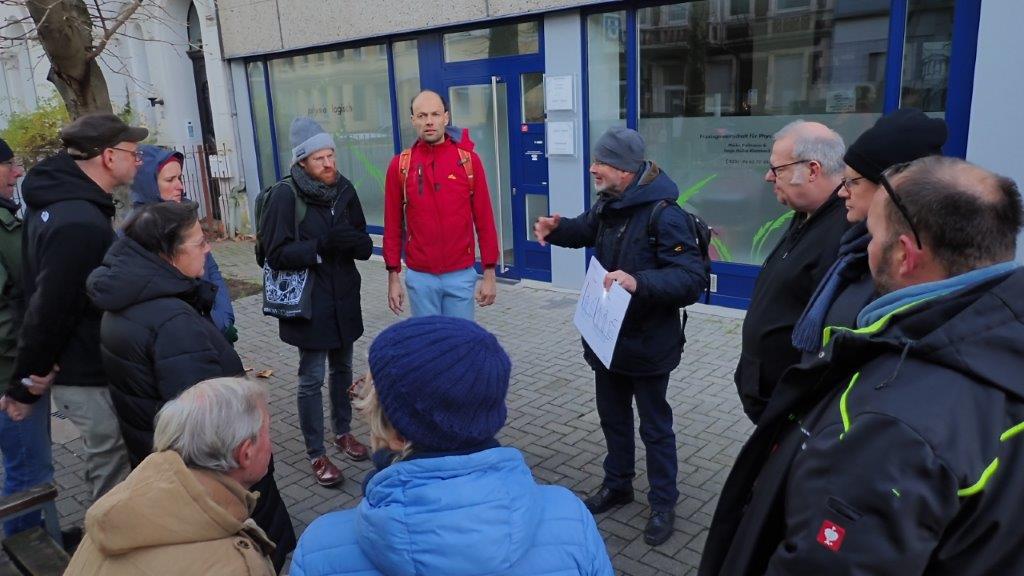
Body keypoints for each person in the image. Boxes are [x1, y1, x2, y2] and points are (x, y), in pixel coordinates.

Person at [700, 156, 1024, 576]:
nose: (866, 247)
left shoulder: (889, 425)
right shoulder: (1002, 343)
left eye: (872, 234)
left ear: (904, 255)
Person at [290, 316, 614, 576]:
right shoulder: (572, 521)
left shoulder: (321, 550)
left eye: (368, 394)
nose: (359, 396)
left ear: (398, 437)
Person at [87, 201, 296, 571]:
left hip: (160, 466)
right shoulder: (173, 324)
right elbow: (214, 431)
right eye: (199, 242)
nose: (209, 248)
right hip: (215, 488)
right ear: (168, 253)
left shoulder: (126, 302)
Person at [533, 127, 708, 546]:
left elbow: (691, 279)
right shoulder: (610, 204)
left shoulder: (665, 215)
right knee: (612, 418)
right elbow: (584, 229)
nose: (592, 168)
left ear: (626, 170)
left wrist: (638, 281)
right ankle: (618, 485)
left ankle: (663, 502)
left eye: (602, 162)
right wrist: (557, 229)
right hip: (606, 339)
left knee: (655, 428)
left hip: (649, 342)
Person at [1, 113, 140, 503]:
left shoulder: (59, 203)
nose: (138, 159)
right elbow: (50, 307)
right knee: (112, 466)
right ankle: (108, 538)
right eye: (133, 152)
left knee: (108, 459)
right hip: (85, 369)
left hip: (81, 362)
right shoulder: (78, 222)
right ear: (108, 156)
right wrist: (26, 382)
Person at [65, 377, 278, 575]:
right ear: (246, 453)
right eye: (267, 431)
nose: (271, 443)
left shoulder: (126, 498)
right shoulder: (235, 566)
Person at [259, 117, 371, 486]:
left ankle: (343, 432)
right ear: (302, 161)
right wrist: (320, 247)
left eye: (331, 155)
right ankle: (316, 453)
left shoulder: (345, 189)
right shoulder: (285, 195)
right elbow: (275, 254)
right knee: (311, 378)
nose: (328, 163)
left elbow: (361, 238)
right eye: (319, 158)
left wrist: (357, 244)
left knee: (343, 370)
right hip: (310, 302)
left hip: (344, 297)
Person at [790, 108, 947, 359]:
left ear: (891, 188)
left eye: (853, 182)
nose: (842, 192)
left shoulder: (902, 268)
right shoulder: (856, 248)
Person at [733, 120, 849, 424]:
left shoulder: (843, 232)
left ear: (812, 170)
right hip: (769, 394)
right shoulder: (805, 215)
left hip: (793, 406)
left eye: (777, 168)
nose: (768, 176)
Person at [383, 90, 499, 319]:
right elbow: (393, 226)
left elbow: (485, 220)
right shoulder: (401, 166)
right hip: (420, 278)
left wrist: (489, 272)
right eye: (422, 115)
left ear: (446, 117)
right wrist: (393, 277)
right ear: (413, 120)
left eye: (435, 114)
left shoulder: (468, 161)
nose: (429, 121)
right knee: (428, 341)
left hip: (460, 275)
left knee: (460, 339)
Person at [0, 139, 54, 536]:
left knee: (30, 468)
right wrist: (26, 364)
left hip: (17, 371)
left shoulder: (8, 218)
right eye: (9, 165)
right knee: (29, 474)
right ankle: (28, 552)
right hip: (11, 377)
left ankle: (38, 537)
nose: (17, 173)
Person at [127, 144, 236, 341]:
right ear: (148, 185)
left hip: (212, 327)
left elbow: (211, 270)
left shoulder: (185, 214)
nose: (180, 186)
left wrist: (223, 319)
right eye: (170, 180)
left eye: (180, 178)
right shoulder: (137, 232)